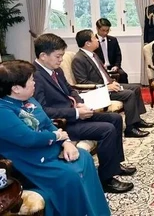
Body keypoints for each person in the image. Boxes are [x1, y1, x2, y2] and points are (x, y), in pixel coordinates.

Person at [0, 60, 111, 216]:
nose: (34, 83)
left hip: (48, 148)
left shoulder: (29, 99)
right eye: (31, 80)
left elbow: (47, 123)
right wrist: (57, 135)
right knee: (70, 176)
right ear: (16, 88)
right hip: (29, 160)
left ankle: (94, 210)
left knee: (84, 157)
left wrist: (66, 143)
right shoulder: (3, 110)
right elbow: (28, 139)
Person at [33, 33, 134, 193]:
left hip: (75, 113)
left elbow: (70, 89)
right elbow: (43, 110)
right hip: (63, 124)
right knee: (107, 129)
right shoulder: (35, 77)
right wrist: (76, 113)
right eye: (58, 56)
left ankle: (115, 165)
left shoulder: (56, 70)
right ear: (43, 56)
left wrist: (79, 102)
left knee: (115, 118)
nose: (61, 60)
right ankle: (106, 180)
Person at [72, 29, 154, 138]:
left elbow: (102, 73)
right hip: (98, 91)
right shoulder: (79, 59)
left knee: (135, 88)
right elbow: (82, 82)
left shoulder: (93, 55)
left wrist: (112, 82)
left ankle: (136, 120)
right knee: (129, 94)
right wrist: (106, 87)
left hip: (107, 85)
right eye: (94, 38)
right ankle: (130, 129)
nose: (97, 40)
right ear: (87, 43)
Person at [94, 18, 129, 83]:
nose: (105, 33)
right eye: (103, 30)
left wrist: (116, 65)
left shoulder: (113, 40)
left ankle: (125, 92)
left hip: (112, 67)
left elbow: (118, 55)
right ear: (97, 29)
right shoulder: (93, 41)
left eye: (107, 30)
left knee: (123, 75)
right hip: (99, 68)